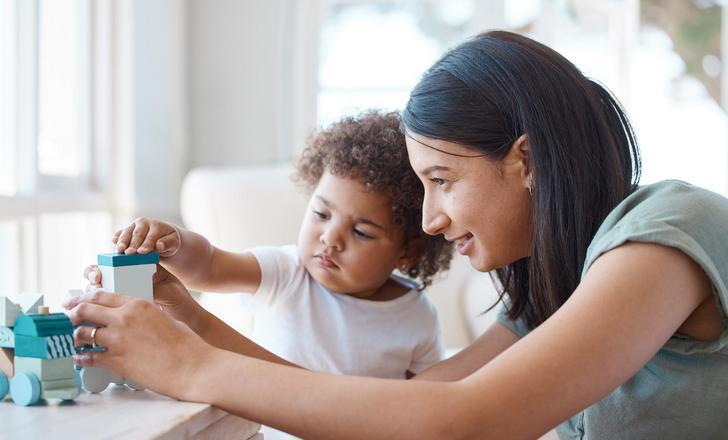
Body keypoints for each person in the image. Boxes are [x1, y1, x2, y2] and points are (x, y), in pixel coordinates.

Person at [65, 30, 728, 439]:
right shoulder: (555, 298)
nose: (432, 218)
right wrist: (192, 327)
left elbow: (467, 424)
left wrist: (190, 365)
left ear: (523, 160)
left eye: (442, 179)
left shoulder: (665, 235)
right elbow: (396, 413)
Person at [84, 110, 452, 380]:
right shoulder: (288, 271)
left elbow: (422, 403)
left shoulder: (417, 317)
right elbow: (210, 266)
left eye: (361, 233)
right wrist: (174, 242)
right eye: (322, 215)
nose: (330, 238)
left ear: (409, 250)